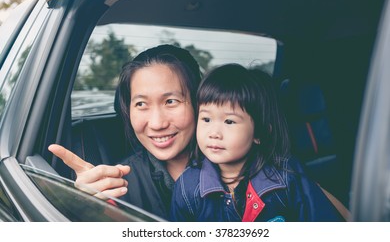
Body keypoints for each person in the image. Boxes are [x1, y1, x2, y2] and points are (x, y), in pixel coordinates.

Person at [170, 63, 344, 222]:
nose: (214, 133)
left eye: (229, 122)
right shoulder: (188, 187)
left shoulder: (286, 176)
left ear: (259, 133)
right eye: (206, 119)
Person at [49, 44, 202, 220]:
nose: (157, 123)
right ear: (127, 111)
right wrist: (87, 207)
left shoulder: (235, 168)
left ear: (199, 103)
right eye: (141, 104)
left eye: (170, 101)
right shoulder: (117, 187)